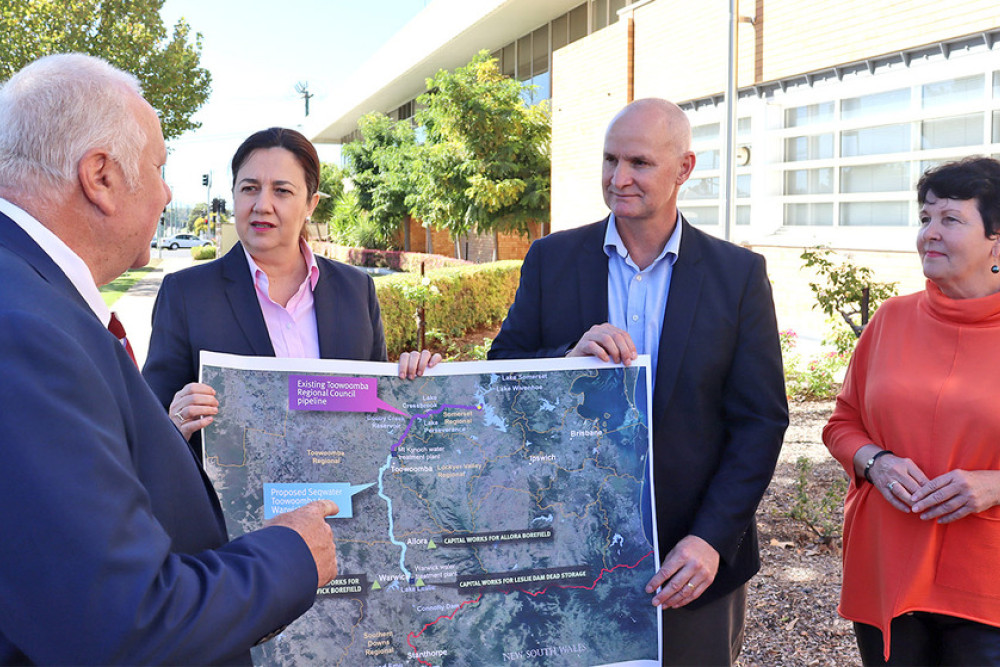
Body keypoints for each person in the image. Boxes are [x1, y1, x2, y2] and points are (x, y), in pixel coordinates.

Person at [0, 54, 341, 664]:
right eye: (160, 168)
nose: (167, 192)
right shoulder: (26, 329)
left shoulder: (32, 297)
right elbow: (120, 621)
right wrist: (288, 556)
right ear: (100, 176)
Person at [488, 98, 788, 665]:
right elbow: (502, 369)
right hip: (568, 549)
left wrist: (710, 540)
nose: (618, 178)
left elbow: (761, 421)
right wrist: (566, 360)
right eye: (609, 160)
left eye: (640, 163)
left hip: (690, 560)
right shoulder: (552, 259)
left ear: (685, 168)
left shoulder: (738, 275)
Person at [823, 156, 1000, 665]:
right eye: (925, 218)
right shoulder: (891, 318)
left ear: (995, 238)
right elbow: (842, 423)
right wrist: (875, 462)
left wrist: (992, 485)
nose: (930, 234)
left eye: (951, 220)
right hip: (888, 568)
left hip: (986, 585)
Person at [143, 127, 395, 457]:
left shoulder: (356, 290)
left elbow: (378, 407)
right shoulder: (186, 294)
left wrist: (416, 381)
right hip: (233, 507)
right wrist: (175, 420)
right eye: (250, 188)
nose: (262, 205)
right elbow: (149, 425)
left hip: (342, 504)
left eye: (282, 191)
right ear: (234, 195)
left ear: (310, 204)